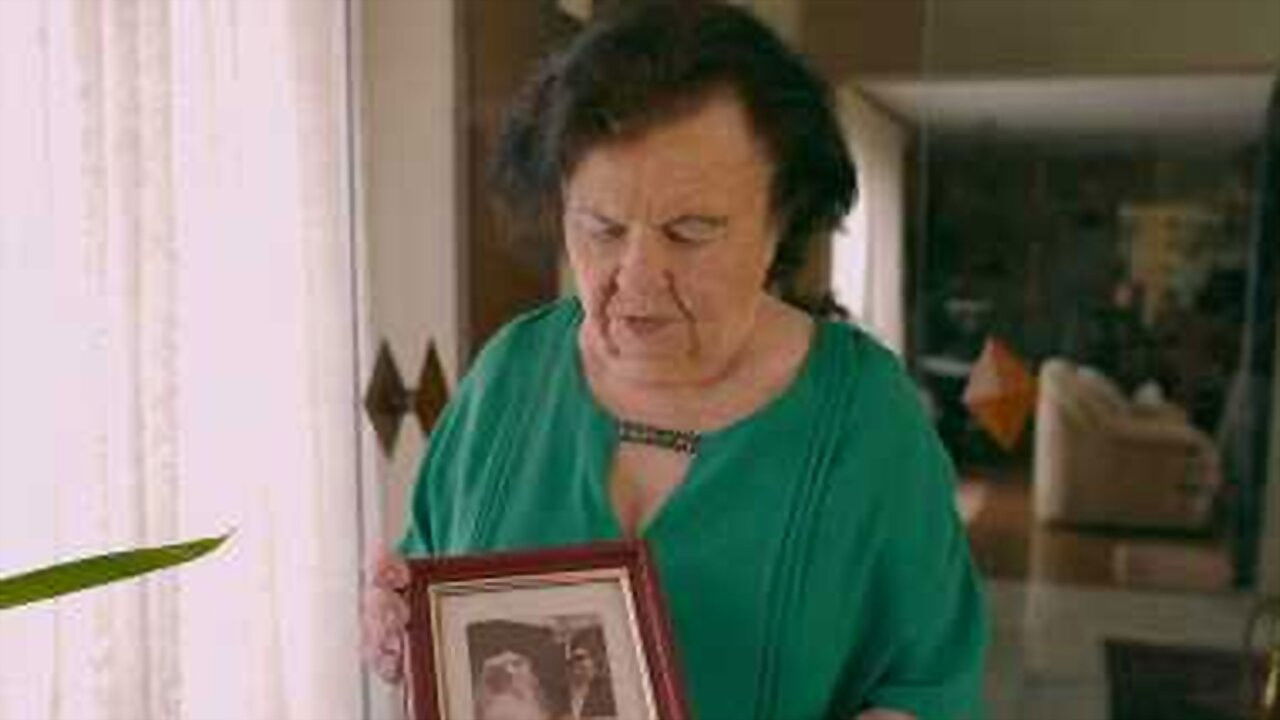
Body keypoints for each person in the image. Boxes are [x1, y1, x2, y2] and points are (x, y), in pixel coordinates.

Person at [362, 3, 988, 719]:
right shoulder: (509, 374)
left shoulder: (868, 418)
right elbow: (433, 579)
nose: (635, 279)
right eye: (601, 228)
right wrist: (397, 623)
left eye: (690, 232)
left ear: (781, 221)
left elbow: (929, 688)